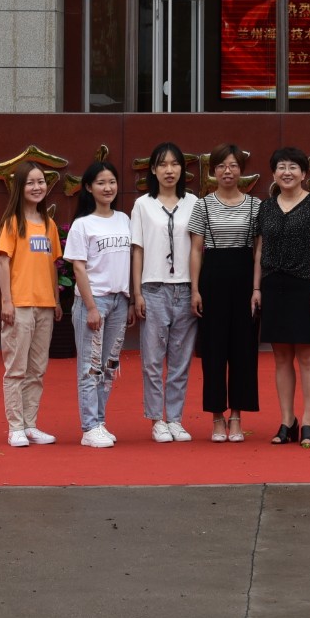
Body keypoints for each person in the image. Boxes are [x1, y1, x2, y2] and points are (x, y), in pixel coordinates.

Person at [252, 145, 310, 447]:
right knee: (281, 357)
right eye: (281, 167)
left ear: (304, 173)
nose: (287, 172)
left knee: (307, 356)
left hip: (305, 286)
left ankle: (309, 420)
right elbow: (260, 251)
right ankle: (288, 420)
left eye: (293, 167)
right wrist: (256, 288)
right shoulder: (266, 208)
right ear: (274, 173)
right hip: (273, 286)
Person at [190, 143, 262, 442]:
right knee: (214, 351)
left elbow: (259, 251)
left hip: (245, 281)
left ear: (241, 170)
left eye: (233, 165)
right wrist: (195, 289)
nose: (227, 171)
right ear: (213, 171)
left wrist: (257, 288)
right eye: (221, 166)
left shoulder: (255, 205)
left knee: (244, 351)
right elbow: (196, 250)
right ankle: (217, 417)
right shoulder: (203, 205)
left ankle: (236, 417)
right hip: (213, 281)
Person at [131, 141, 200, 444]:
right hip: (154, 289)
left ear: (182, 169)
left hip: (185, 289)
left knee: (180, 359)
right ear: (153, 170)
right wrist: (137, 293)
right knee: (152, 360)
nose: (169, 170)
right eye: (163, 164)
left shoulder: (194, 203)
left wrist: (196, 288)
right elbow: (137, 250)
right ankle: (156, 420)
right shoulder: (143, 205)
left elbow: (198, 248)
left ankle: (175, 418)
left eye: (174, 164)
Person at [64, 159, 134, 449]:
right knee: (89, 367)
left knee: (108, 366)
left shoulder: (124, 219)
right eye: (101, 183)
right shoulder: (82, 225)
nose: (108, 188)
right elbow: (79, 268)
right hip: (93, 302)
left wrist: (130, 301)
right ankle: (89, 427)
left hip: (119, 301)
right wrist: (91, 307)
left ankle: (100, 422)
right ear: (89, 188)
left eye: (112, 182)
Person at [0, 161, 63, 448]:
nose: (37, 187)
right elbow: (3, 262)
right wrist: (6, 301)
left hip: (44, 305)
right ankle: (15, 428)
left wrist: (56, 300)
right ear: (20, 188)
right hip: (20, 305)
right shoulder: (12, 223)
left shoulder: (49, 225)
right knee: (16, 369)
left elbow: (53, 265)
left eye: (41, 182)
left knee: (37, 370)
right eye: (30, 182)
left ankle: (30, 425)